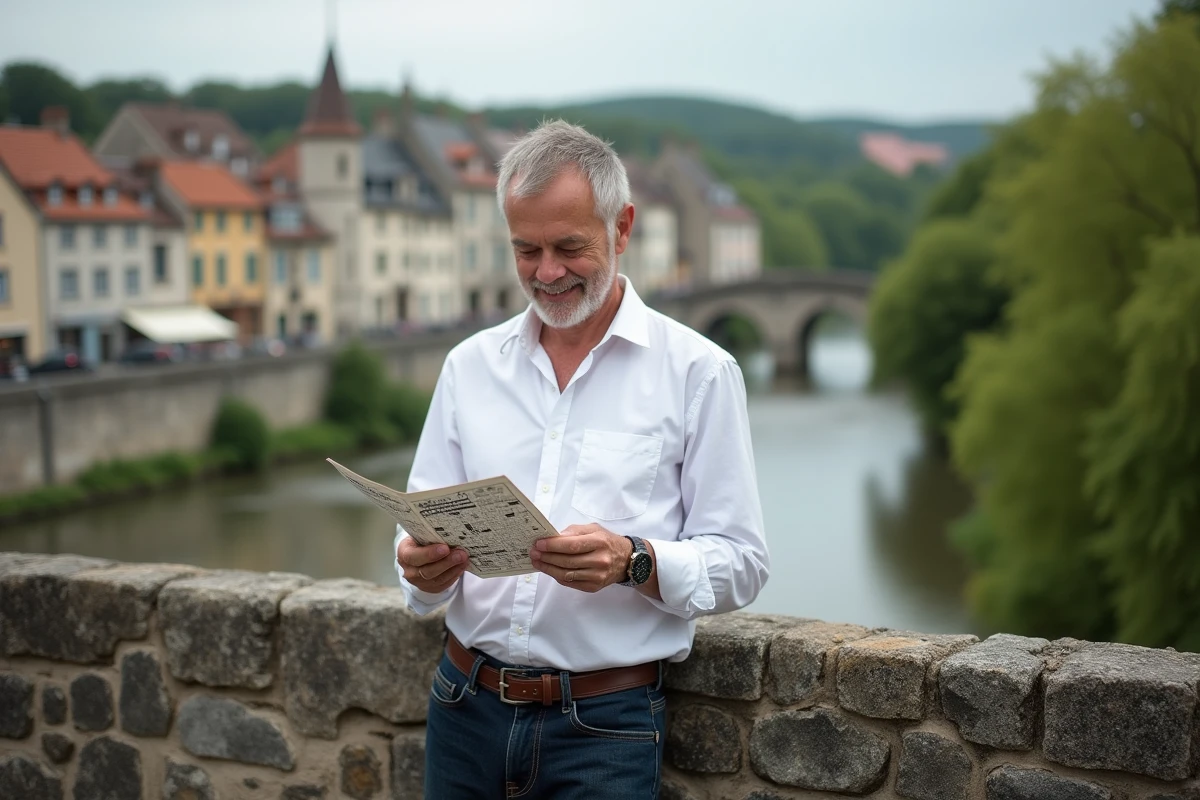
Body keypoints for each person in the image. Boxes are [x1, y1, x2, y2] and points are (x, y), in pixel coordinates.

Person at [394, 120, 769, 799]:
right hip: (460, 705)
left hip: (605, 725)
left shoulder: (700, 372)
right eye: (526, 249)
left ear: (622, 228)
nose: (547, 272)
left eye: (570, 246)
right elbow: (420, 555)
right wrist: (418, 564)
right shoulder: (468, 366)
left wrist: (634, 560)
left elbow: (743, 561)